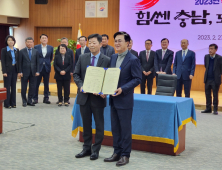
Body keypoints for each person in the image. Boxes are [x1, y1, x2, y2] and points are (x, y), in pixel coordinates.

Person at [104, 32, 141, 166]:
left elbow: (137, 79)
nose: (117, 43)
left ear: (127, 43)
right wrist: (104, 90)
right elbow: (110, 76)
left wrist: (123, 89)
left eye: (120, 41)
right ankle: (116, 152)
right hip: (113, 99)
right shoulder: (113, 57)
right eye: (115, 41)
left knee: (125, 129)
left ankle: (125, 155)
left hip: (125, 99)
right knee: (115, 128)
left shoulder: (133, 59)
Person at [74, 34, 110, 160]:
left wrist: (104, 90)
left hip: (98, 98)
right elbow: (76, 74)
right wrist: (80, 86)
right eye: (90, 43)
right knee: (86, 124)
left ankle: (96, 150)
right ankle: (86, 148)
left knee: (99, 125)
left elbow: (109, 78)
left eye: (94, 43)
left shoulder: (107, 59)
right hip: (84, 97)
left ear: (100, 44)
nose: (91, 45)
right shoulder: (82, 57)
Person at [201, 44, 222, 115]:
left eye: (212, 49)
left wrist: (218, 75)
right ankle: (208, 108)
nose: (210, 50)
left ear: (216, 50)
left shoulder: (219, 58)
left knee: (215, 95)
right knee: (207, 94)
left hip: (215, 79)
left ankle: (215, 109)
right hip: (207, 79)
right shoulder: (206, 57)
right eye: (209, 48)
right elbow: (205, 66)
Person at [18, 37, 39, 107]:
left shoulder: (35, 51)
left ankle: (29, 100)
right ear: (25, 43)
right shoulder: (21, 51)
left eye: (31, 42)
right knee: (23, 87)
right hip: (24, 72)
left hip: (33, 72)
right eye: (28, 42)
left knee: (32, 87)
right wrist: (20, 71)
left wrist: (38, 71)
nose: (29, 43)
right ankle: (24, 101)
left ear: (33, 43)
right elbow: (19, 62)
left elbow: (37, 62)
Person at [33, 34, 53, 104]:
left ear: (47, 39)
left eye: (45, 38)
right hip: (38, 68)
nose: (44, 39)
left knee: (46, 84)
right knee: (36, 84)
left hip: (46, 68)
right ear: (40, 39)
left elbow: (50, 58)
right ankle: (35, 98)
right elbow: (34, 57)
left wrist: (46, 63)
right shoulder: (36, 47)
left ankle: (46, 98)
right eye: (43, 38)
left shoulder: (50, 47)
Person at [1, 35, 19, 108]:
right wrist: (4, 71)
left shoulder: (16, 50)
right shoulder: (4, 50)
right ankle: (7, 104)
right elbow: (3, 61)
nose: (10, 41)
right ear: (6, 42)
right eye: (9, 40)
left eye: (12, 40)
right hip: (7, 70)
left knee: (14, 87)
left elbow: (19, 61)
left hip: (15, 69)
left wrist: (19, 71)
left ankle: (13, 103)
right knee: (7, 87)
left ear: (14, 41)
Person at [55, 37, 74, 104]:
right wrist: (60, 71)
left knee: (67, 88)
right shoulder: (57, 54)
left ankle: (66, 100)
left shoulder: (69, 54)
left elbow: (71, 64)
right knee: (59, 88)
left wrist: (66, 71)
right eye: (61, 48)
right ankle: (60, 100)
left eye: (63, 48)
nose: (62, 49)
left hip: (67, 73)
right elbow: (55, 65)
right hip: (58, 74)